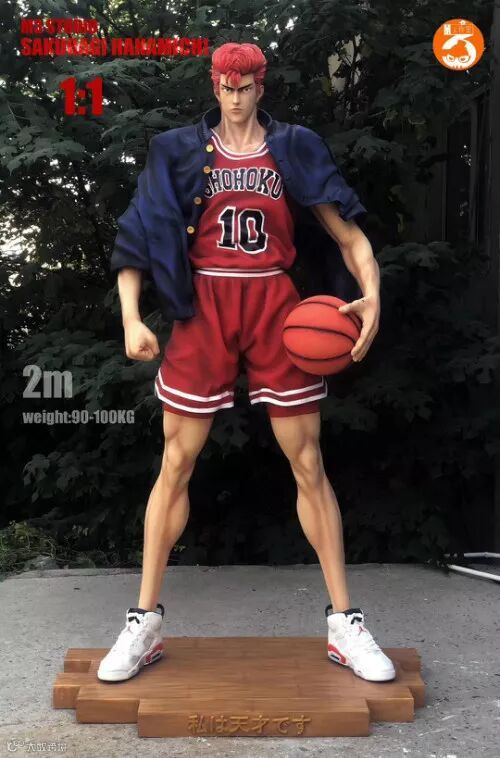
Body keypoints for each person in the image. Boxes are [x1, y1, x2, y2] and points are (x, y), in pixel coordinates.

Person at [98, 42, 395, 684]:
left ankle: (344, 622)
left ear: (262, 87)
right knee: (176, 461)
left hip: (274, 305)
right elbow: (137, 235)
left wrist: (371, 293)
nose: (235, 98)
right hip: (202, 304)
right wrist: (130, 317)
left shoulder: (293, 146)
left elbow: (347, 234)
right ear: (215, 86)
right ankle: (144, 621)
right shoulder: (177, 150)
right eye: (226, 87)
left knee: (308, 461)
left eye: (246, 87)